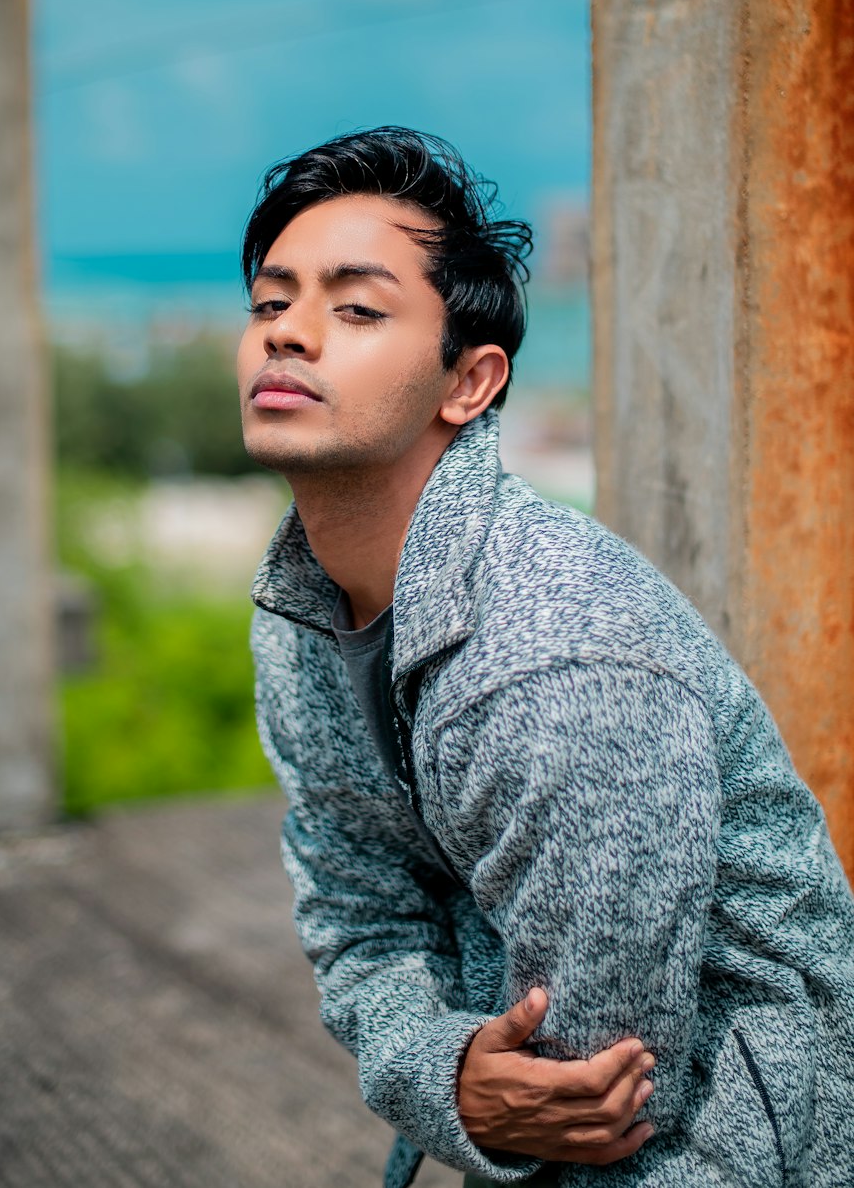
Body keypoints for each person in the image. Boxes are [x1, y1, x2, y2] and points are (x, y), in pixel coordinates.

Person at [236, 126, 854, 1188]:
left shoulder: (557, 655)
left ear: (469, 383)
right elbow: (353, 909)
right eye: (269, 302)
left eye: (355, 307)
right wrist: (440, 1068)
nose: (289, 334)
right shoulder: (295, 616)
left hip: (742, 1136)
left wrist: (465, 1084)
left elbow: (599, 1085)